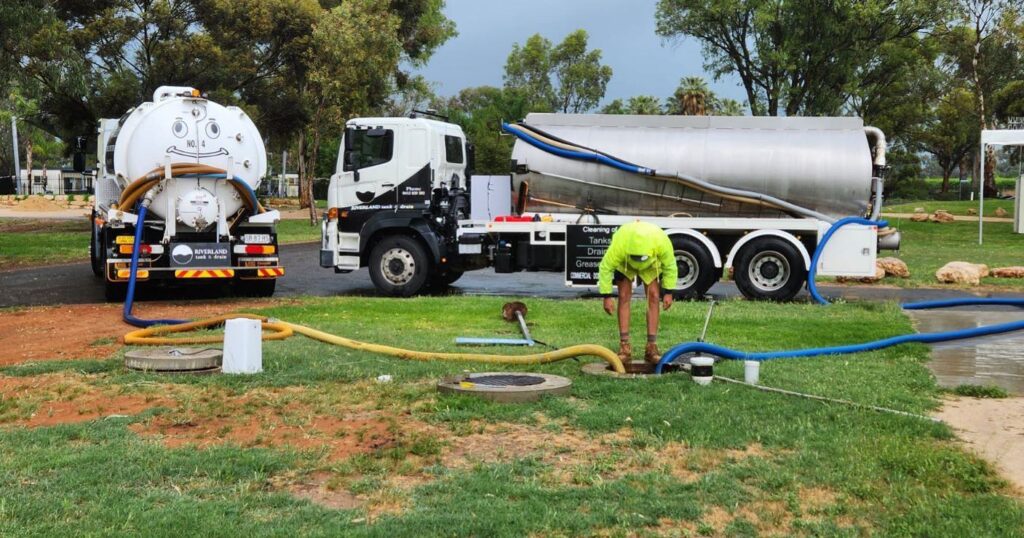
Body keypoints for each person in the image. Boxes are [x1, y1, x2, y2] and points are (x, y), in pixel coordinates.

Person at [597, 221, 677, 363]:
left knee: (653, 296)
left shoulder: (660, 241)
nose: (639, 261)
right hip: (625, 263)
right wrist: (607, 296)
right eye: (637, 258)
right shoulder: (620, 244)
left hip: (651, 263)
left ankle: (651, 347)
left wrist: (669, 292)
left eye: (641, 258)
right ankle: (624, 347)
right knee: (623, 296)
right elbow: (605, 267)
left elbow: (670, 265)